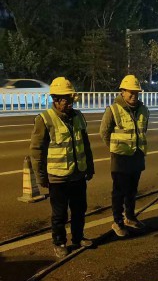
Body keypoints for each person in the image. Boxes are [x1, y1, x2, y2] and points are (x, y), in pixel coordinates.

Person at [30, 77, 95, 258]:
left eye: (70, 97)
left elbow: (85, 144)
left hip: (78, 175)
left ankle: (78, 237)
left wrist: (89, 167)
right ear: (55, 99)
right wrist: (41, 177)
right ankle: (59, 242)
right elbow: (37, 150)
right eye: (65, 98)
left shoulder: (78, 116)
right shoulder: (45, 119)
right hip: (57, 178)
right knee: (59, 214)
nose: (69, 102)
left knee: (79, 210)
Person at [100, 74, 149, 237]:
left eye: (136, 92)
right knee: (119, 192)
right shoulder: (113, 110)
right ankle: (118, 221)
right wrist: (115, 147)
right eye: (130, 92)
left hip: (137, 156)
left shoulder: (143, 110)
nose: (134, 95)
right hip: (120, 157)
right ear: (122, 91)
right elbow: (104, 132)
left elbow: (143, 130)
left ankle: (130, 217)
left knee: (132, 190)